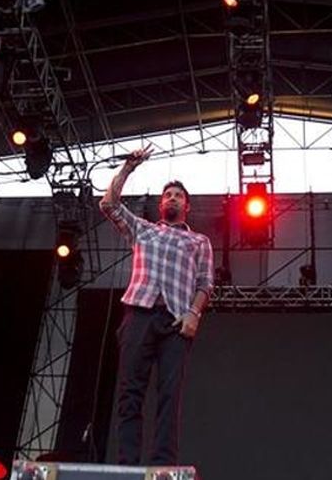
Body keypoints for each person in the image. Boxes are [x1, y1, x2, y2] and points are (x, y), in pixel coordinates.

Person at [99, 145, 214, 465]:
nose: (172, 198)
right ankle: (127, 466)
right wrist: (127, 168)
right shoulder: (144, 230)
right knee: (130, 394)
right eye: (168, 195)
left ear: (186, 206)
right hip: (139, 313)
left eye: (178, 195)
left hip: (176, 320)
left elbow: (206, 282)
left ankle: (163, 465)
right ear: (161, 204)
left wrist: (194, 314)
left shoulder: (199, 241)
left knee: (169, 395)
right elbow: (108, 204)